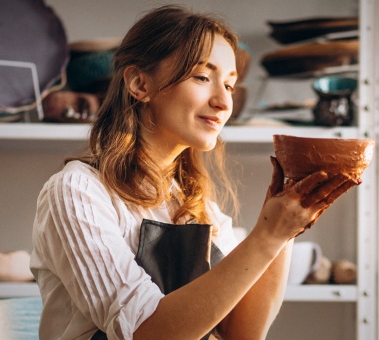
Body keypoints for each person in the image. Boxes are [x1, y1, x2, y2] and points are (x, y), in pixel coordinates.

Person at [30, 5, 357, 340]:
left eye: (229, 85)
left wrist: (284, 230)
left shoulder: (195, 204)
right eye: (203, 77)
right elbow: (147, 333)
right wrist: (267, 235)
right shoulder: (77, 191)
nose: (224, 102)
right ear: (140, 84)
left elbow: (243, 334)